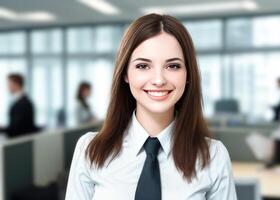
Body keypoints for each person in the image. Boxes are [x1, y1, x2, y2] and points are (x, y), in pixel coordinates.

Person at [66, 14, 237, 200]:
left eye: (172, 66)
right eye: (142, 66)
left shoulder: (213, 156)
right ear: (125, 74)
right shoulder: (90, 150)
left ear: (188, 75)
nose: (158, 80)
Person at [0, 73, 38, 138]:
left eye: (9, 84)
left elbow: (17, 128)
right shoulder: (20, 101)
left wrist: (1, 129)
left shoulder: (24, 104)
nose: (7, 86)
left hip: (21, 142)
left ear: (16, 84)